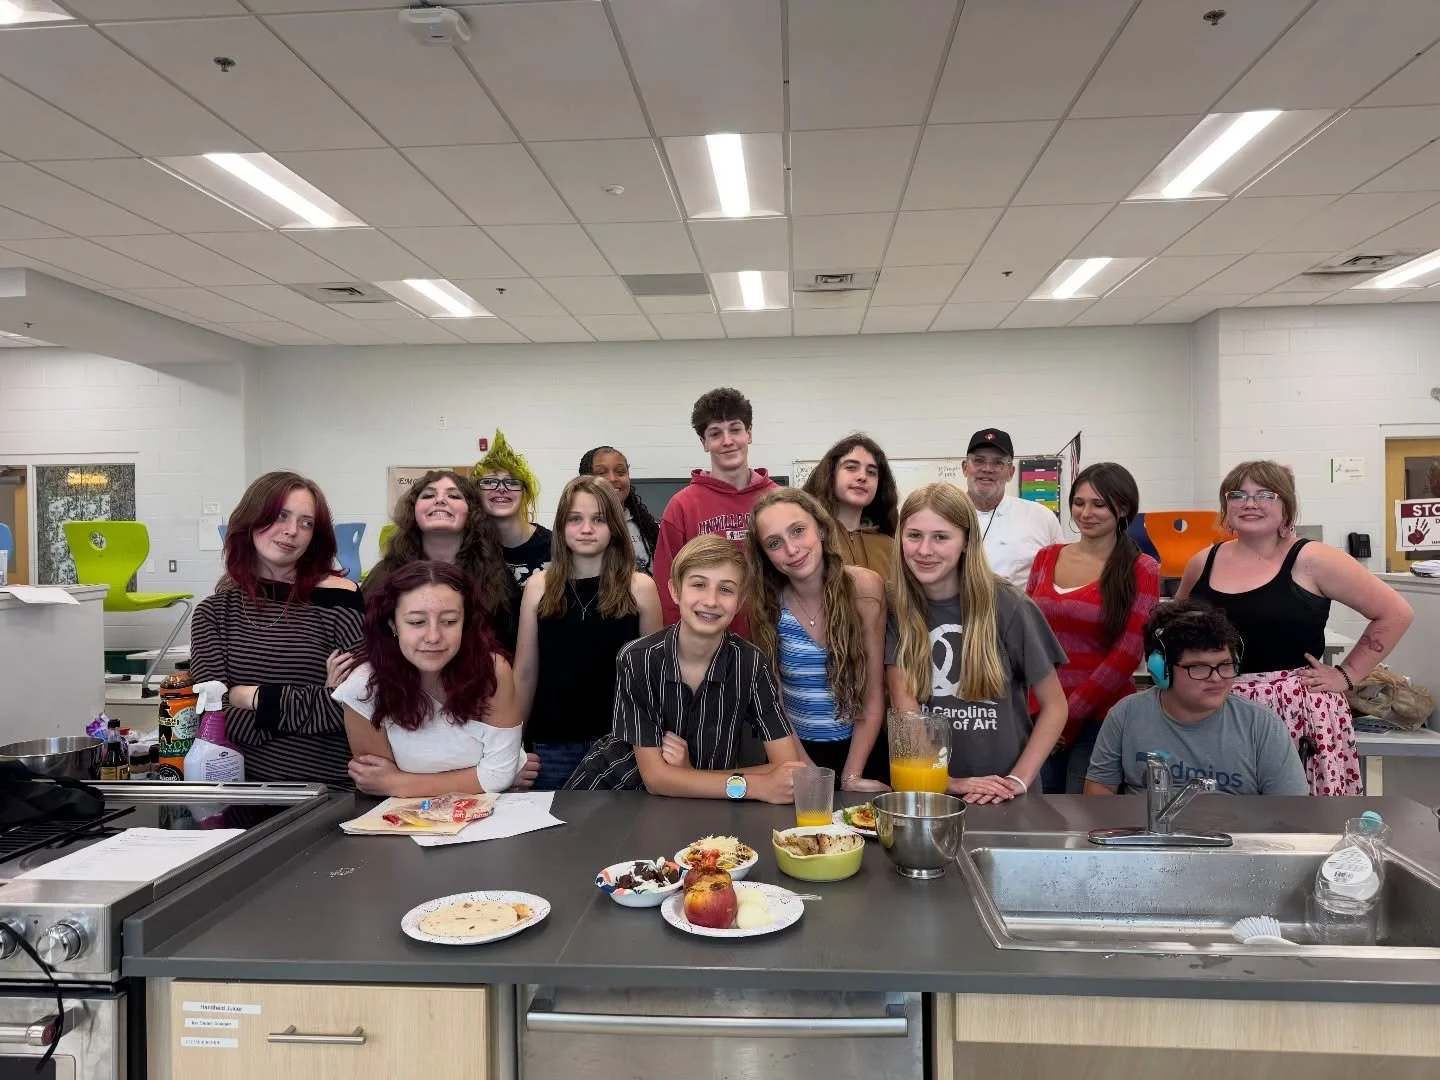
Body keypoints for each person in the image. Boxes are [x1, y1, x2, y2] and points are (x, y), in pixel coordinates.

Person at [1178, 460, 1414, 795]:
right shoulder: (1204, 561)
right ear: (1225, 506)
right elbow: (1175, 628)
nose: (1250, 503)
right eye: (1238, 495)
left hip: (1295, 712)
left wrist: (1347, 675)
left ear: (1286, 505)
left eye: (1265, 494)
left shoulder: (1313, 559)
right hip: (1215, 705)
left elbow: (1395, 613)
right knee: (1220, 820)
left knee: (1297, 825)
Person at [565, 535, 804, 800]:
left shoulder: (751, 663)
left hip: (695, 804)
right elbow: (656, 779)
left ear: (739, 601)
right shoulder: (638, 659)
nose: (711, 600)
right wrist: (753, 786)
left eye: (726, 589)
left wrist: (687, 774)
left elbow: (787, 769)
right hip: (609, 794)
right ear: (675, 591)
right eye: (699, 585)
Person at [885, 483, 1068, 802]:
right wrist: (946, 782)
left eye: (941, 537)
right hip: (933, 792)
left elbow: (1055, 706)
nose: (925, 550)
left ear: (967, 541)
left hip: (1002, 794)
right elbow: (907, 712)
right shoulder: (895, 608)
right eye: (914, 535)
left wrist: (1017, 781)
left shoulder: (1010, 605)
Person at [190, 471, 364, 788]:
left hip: (331, 791)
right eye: (281, 516)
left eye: (306, 523)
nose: (292, 531)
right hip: (241, 793)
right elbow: (212, 718)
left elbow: (356, 707)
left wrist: (250, 696)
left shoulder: (339, 600)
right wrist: (320, 698)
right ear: (253, 518)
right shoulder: (214, 614)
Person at [513, 477, 663, 790]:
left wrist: (657, 740)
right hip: (552, 744)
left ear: (615, 528)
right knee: (551, 835)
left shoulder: (641, 588)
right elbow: (525, 673)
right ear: (561, 525)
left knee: (621, 834)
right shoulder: (538, 587)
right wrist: (512, 746)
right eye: (575, 519)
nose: (586, 529)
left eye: (598, 519)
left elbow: (654, 677)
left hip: (621, 743)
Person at [335, 561, 524, 796]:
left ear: (465, 624)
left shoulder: (493, 670)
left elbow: (500, 774)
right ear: (393, 623)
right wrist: (481, 777)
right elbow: (376, 783)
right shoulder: (363, 686)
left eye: (449, 622)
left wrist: (400, 783)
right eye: (416, 622)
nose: (433, 636)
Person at [1027, 462, 1160, 793]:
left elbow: (1126, 655)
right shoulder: (1046, 557)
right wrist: (1036, 709)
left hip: (1100, 717)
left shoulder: (1142, 568)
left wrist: (1064, 717)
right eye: (1079, 502)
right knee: (1038, 812)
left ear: (1123, 508)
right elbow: (1028, 637)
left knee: (1085, 817)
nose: (1086, 513)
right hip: (1038, 711)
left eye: (1099, 504)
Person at [1085, 600, 1309, 796]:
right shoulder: (1125, 715)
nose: (1216, 678)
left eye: (1225, 665)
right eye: (1199, 667)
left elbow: (1290, 809)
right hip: (1148, 839)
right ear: (1161, 670)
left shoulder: (1261, 725)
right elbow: (1099, 789)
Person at [746, 488, 890, 792]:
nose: (791, 549)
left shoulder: (864, 588)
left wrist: (851, 776)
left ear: (821, 529)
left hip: (862, 751)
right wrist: (808, 770)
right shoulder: (766, 604)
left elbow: (873, 692)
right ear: (765, 555)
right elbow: (775, 702)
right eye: (774, 543)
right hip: (796, 753)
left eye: (798, 531)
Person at [652, 387, 778, 625]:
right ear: (704, 442)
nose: (728, 441)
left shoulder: (780, 500)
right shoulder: (682, 506)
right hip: (707, 643)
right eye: (716, 433)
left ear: (749, 433)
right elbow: (666, 587)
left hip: (775, 640)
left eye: (735, 429)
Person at [363, 469, 517, 650]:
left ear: (472, 511)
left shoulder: (496, 578)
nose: (440, 500)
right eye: (428, 495)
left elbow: (509, 649)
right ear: (414, 510)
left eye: (454, 496)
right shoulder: (385, 574)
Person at [962, 428, 1063, 589]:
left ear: (1010, 472)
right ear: (965, 467)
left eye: (998, 462)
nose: (987, 468)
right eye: (979, 460)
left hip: (1018, 613)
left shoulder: (1041, 517)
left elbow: (1058, 580)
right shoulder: (943, 515)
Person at [801, 434, 899, 578]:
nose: (862, 477)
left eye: (871, 472)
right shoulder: (808, 540)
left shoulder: (891, 547)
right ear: (831, 474)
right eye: (851, 467)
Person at [475, 430, 551, 587]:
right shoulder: (471, 547)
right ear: (476, 494)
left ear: (525, 493)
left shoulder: (554, 546)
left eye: (512, 482)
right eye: (490, 482)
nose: (501, 488)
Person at [579, 445, 660, 575]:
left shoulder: (648, 527)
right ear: (586, 480)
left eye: (620, 472)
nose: (613, 479)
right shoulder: (578, 529)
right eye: (601, 473)